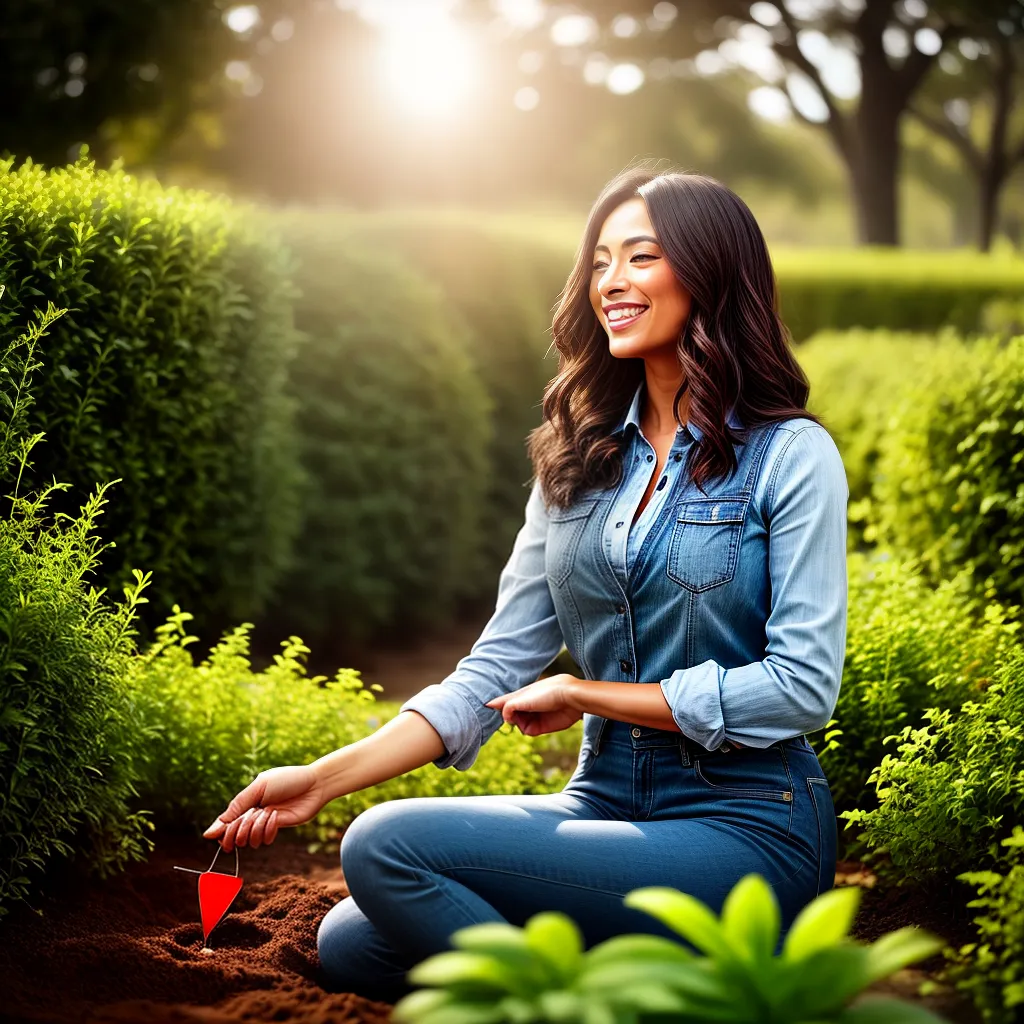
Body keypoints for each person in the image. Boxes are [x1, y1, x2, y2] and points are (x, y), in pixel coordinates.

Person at [202, 164, 848, 1003]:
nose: (610, 282)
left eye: (641, 257)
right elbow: (491, 671)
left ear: (711, 272)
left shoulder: (790, 456)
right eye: (601, 261)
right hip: (604, 804)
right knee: (354, 941)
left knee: (386, 848)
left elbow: (800, 688)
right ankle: (644, 984)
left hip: (746, 825)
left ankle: (568, 1004)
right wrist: (320, 780)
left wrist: (590, 695)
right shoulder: (576, 459)